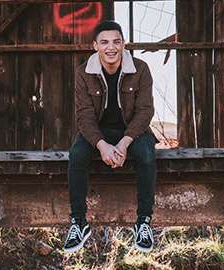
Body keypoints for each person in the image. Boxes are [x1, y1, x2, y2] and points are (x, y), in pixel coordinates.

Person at [63, 21, 157, 254]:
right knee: (76, 155)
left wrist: (125, 143)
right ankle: (78, 222)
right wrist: (102, 145)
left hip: (133, 132)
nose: (111, 47)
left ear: (123, 44)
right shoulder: (84, 73)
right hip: (97, 132)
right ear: (95, 46)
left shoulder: (140, 68)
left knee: (147, 154)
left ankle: (144, 221)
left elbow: (145, 111)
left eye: (116, 41)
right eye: (104, 42)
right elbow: (84, 116)